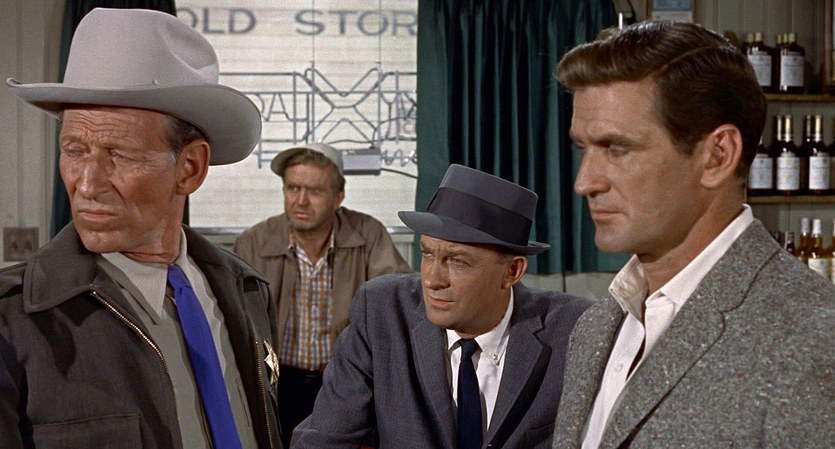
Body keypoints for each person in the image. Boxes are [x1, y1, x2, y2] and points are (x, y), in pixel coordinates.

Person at [0, 8, 282, 449]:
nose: (87, 184)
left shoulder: (247, 290)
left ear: (190, 168)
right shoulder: (12, 319)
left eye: (120, 154)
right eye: (74, 150)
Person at [552, 21, 835, 449]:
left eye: (617, 149)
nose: (585, 182)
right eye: (583, 150)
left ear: (717, 156)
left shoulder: (812, 339)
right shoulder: (594, 328)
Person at [290, 164, 593, 449]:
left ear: (511, 271)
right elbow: (325, 438)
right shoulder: (382, 312)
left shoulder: (576, 329)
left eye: (457, 261)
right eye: (427, 254)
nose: (432, 280)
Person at [233, 142, 412, 445]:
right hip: (276, 379)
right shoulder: (254, 242)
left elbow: (397, 301)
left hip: (344, 379)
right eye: (293, 188)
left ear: (338, 196)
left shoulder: (368, 234)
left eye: (315, 191)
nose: (301, 201)